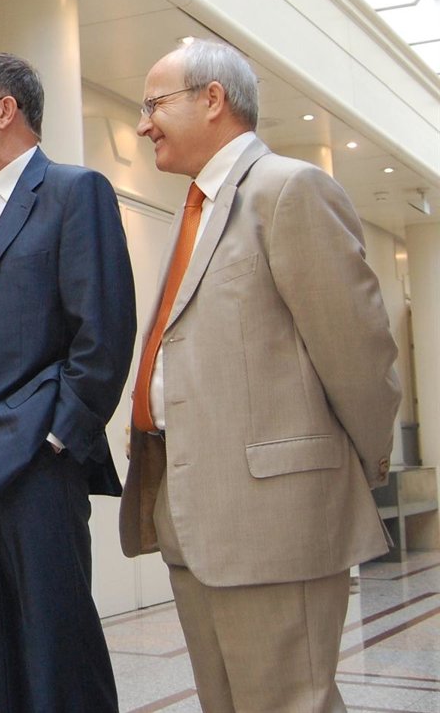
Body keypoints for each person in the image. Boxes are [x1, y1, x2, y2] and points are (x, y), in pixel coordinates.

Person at [120, 40, 401, 712]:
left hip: (276, 518)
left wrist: (352, 469)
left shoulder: (289, 189)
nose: (143, 124)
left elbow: (359, 355)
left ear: (212, 99)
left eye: (154, 104)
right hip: (193, 515)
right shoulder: (197, 208)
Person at [0, 51, 135, 712]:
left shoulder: (75, 192)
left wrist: (59, 439)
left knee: (55, 645)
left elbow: (102, 334)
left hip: (37, 460)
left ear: (5, 110)